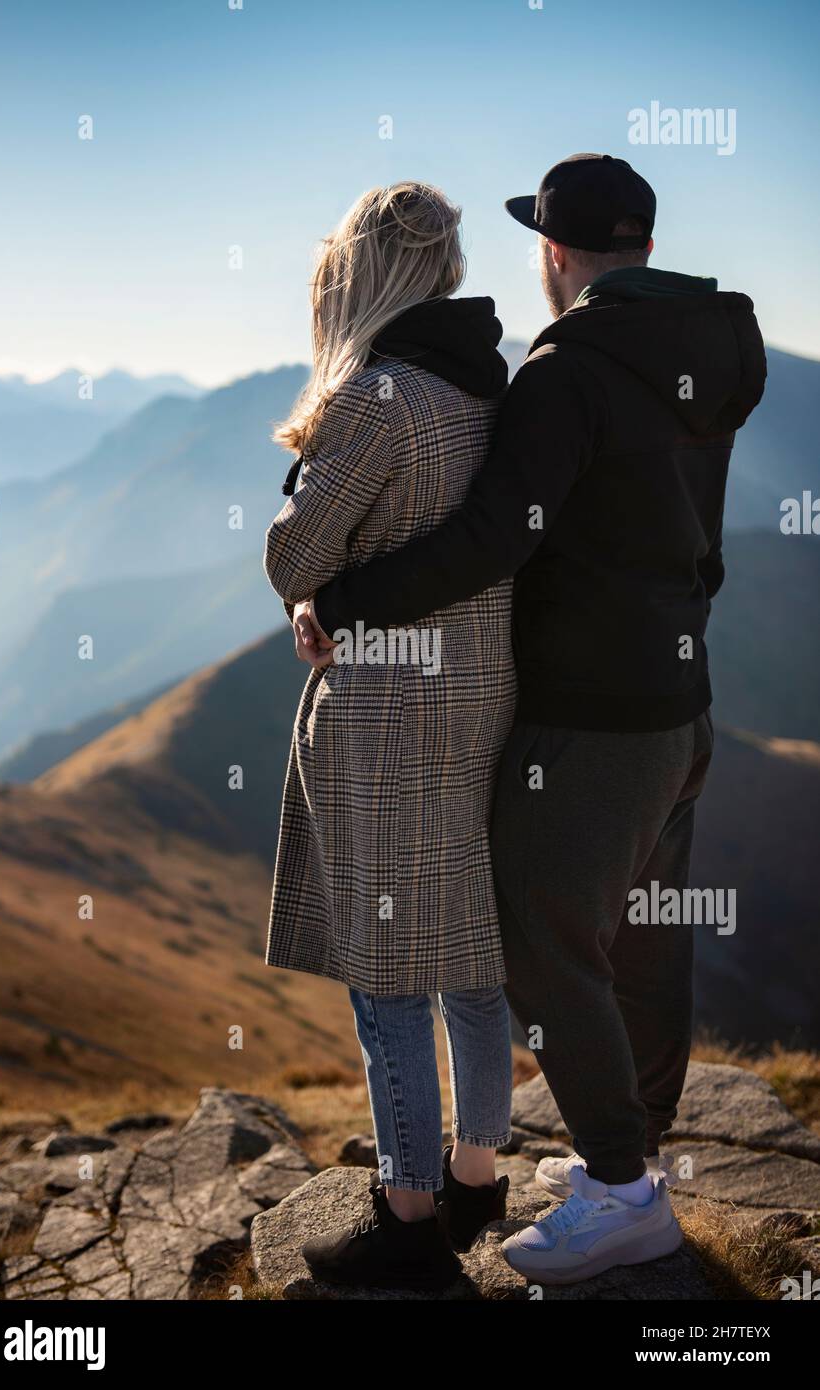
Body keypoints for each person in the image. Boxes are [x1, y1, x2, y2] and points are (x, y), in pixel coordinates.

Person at [294, 154, 767, 1284]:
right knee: (643, 941)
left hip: (589, 719)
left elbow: (494, 537)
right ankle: (631, 1158)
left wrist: (346, 604)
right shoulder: (711, 344)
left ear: (553, 255)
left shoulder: (566, 367)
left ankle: (620, 1190)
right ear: (642, 244)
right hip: (681, 699)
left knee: (541, 945)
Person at [263, 182, 518, 1290]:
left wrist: (304, 472)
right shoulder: (489, 386)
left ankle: (407, 1209)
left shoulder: (374, 399)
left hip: (381, 716)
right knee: (466, 944)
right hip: (477, 699)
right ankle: (475, 1172)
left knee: (384, 970)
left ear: (356, 279)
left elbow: (291, 557)